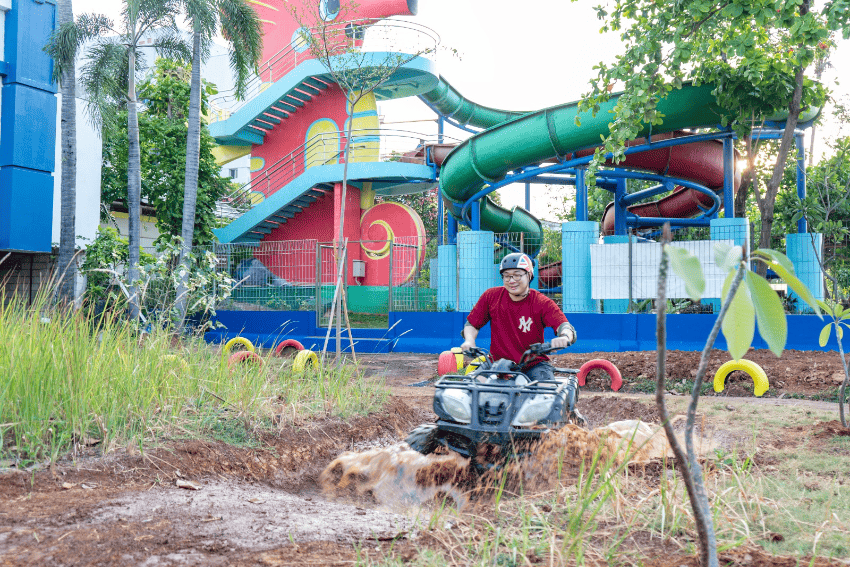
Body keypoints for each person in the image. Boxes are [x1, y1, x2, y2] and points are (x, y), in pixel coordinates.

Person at [460, 252, 576, 383]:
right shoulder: (491, 296)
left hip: (533, 364)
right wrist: (469, 340)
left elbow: (564, 326)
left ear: (529, 275)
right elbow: (472, 324)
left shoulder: (542, 302)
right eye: (507, 276)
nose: (511, 280)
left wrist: (564, 337)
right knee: (472, 388)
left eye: (517, 275)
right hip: (496, 363)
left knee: (547, 394)